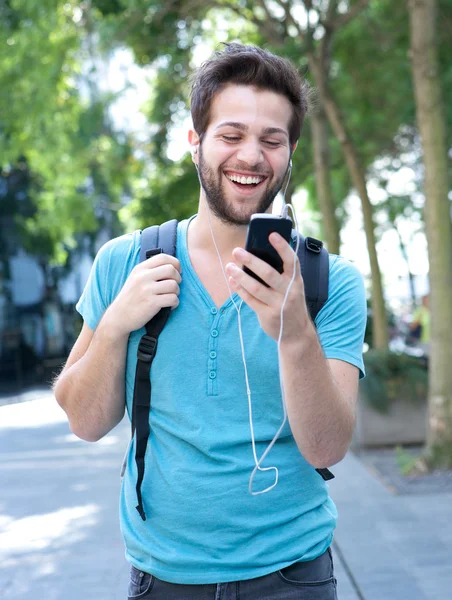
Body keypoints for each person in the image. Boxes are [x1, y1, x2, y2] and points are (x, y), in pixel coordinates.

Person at [53, 43, 367, 600]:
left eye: (271, 140)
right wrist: (115, 325)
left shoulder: (328, 281)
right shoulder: (124, 262)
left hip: (293, 575)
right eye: (231, 135)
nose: (251, 156)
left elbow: (327, 448)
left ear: (290, 152)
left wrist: (294, 332)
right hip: (162, 579)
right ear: (194, 141)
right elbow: (85, 421)